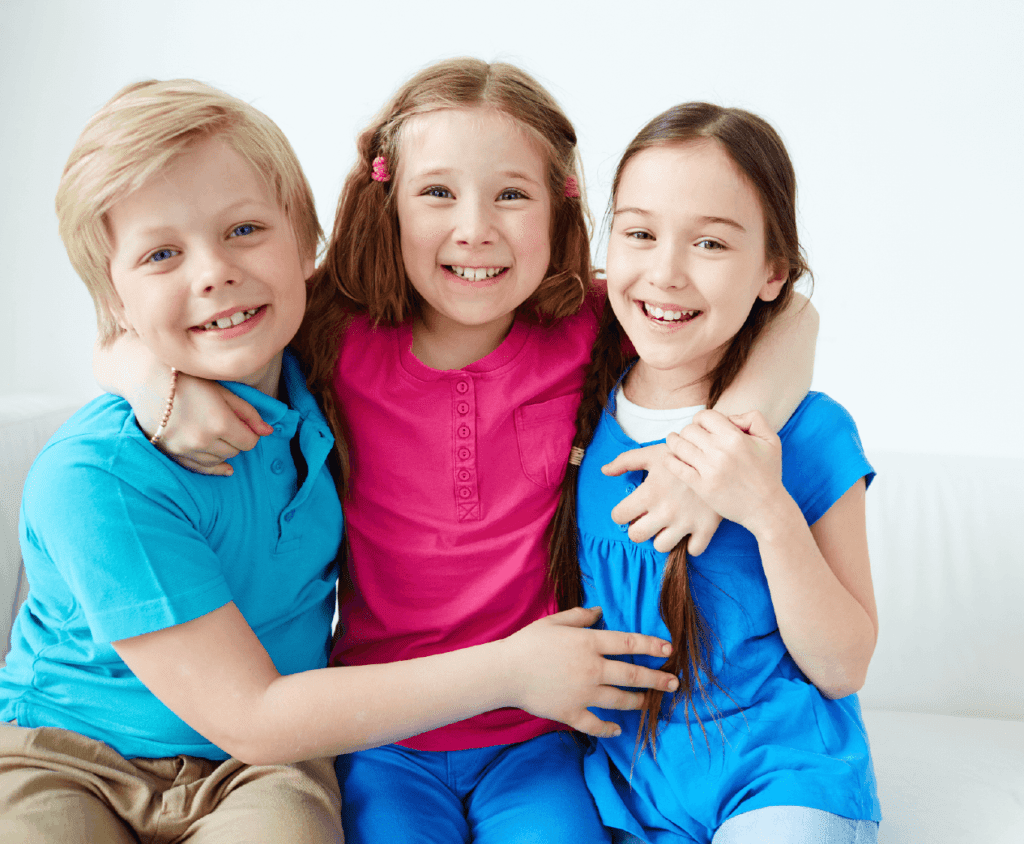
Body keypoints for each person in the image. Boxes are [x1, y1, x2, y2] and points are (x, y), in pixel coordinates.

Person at [95, 61, 819, 843]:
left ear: (560, 208)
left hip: (539, 731)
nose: (475, 228)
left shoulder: (589, 323)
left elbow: (792, 316)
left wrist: (705, 460)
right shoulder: (331, 328)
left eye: (511, 194)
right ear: (388, 204)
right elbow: (132, 330)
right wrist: (152, 381)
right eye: (437, 192)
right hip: (380, 732)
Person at [548, 102, 882, 844]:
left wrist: (765, 507)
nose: (665, 274)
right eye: (639, 234)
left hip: (782, 778)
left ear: (773, 271)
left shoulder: (812, 431)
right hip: (622, 791)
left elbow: (843, 665)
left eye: (709, 243)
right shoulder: (574, 410)